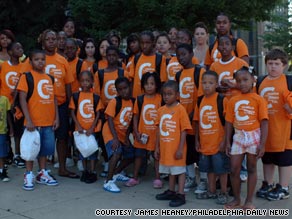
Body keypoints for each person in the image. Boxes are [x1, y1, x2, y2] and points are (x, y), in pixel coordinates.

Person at [224, 66, 268, 209]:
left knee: (252, 168)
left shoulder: (259, 100)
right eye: (239, 81)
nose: (242, 83)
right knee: (234, 169)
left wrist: (262, 144)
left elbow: (264, 123)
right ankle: (237, 199)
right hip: (238, 136)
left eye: (245, 80)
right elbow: (229, 122)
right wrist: (227, 142)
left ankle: (249, 201)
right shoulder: (232, 100)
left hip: (254, 136)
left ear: (253, 80)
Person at [17, 49, 59, 190]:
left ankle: (42, 173)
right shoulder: (27, 77)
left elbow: (53, 99)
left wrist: (56, 117)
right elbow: (22, 98)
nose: (40, 61)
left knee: (44, 150)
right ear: (31, 62)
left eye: (42, 59)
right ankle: (28, 174)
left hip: (48, 122)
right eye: (37, 59)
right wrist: (28, 119)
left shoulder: (50, 78)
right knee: (30, 150)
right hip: (32, 123)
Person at [40, 29, 78, 179]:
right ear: (43, 42)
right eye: (48, 39)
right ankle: (42, 169)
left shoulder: (62, 60)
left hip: (61, 105)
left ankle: (62, 168)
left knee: (62, 137)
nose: (51, 41)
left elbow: (68, 84)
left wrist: (70, 105)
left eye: (53, 39)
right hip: (42, 105)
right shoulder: (37, 59)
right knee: (43, 137)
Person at [256, 49, 292, 201]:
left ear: (284, 65)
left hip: (284, 129)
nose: (273, 67)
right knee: (267, 158)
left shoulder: (289, 81)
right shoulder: (261, 81)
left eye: (277, 64)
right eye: (270, 63)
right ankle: (268, 183)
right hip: (266, 130)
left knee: (285, 159)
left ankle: (283, 187)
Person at [155, 80, 192, 207]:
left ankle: (181, 194)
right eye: (164, 94)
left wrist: (180, 148)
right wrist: (157, 148)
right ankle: (171, 191)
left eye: (169, 94)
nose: (166, 96)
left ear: (177, 95)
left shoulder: (180, 109)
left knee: (179, 171)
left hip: (176, 148)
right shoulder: (161, 110)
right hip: (165, 148)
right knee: (170, 170)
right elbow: (158, 130)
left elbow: (184, 130)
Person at [194, 71, 229, 204]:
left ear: (216, 84)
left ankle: (224, 192)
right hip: (205, 144)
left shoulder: (222, 100)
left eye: (210, 83)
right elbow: (197, 121)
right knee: (209, 170)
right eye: (204, 83)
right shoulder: (200, 100)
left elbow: (228, 123)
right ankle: (212, 191)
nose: (207, 86)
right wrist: (197, 140)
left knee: (222, 170)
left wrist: (225, 141)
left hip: (218, 144)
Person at [175, 43, 205, 192]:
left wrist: (192, 115)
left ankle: (204, 180)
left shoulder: (199, 72)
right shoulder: (178, 75)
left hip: (197, 120)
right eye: (178, 55)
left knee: (201, 151)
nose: (181, 57)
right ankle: (191, 178)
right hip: (184, 121)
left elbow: (201, 98)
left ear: (191, 55)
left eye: (184, 54)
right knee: (188, 152)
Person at [125, 72, 163, 188]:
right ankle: (135, 177)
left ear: (156, 85)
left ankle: (157, 178)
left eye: (152, 83)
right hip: (142, 134)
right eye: (146, 84)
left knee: (157, 156)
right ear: (142, 85)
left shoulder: (160, 99)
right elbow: (135, 116)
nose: (149, 86)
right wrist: (136, 131)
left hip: (155, 134)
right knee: (139, 156)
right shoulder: (140, 99)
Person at [69, 70, 103, 183]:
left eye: (88, 81)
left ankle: (92, 171)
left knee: (93, 150)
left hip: (91, 130)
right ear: (79, 82)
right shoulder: (76, 96)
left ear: (92, 82)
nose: (85, 83)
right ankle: (84, 171)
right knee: (82, 150)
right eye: (83, 81)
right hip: (80, 130)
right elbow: (73, 112)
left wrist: (92, 127)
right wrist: (78, 125)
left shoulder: (96, 97)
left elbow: (98, 113)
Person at [102, 77, 134, 193]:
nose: (124, 91)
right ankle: (108, 181)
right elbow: (109, 120)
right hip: (110, 131)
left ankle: (116, 173)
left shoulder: (133, 102)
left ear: (130, 87)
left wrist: (126, 137)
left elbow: (130, 121)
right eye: (120, 89)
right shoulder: (115, 101)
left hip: (122, 133)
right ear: (117, 91)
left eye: (125, 88)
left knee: (131, 154)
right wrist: (115, 138)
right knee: (116, 153)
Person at [0, 41, 25, 168]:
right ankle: (7, 154)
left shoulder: (24, 66)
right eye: (17, 48)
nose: (20, 50)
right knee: (5, 131)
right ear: (10, 52)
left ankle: (18, 155)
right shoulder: (3, 66)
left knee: (17, 131)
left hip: (17, 104)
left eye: (21, 48)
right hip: (4, 103)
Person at [129, 30, 167, 98]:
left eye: (147, 43)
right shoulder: (136, 58)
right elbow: (131, 80)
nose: (144, 46)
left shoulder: (160, 58)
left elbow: (163, 82)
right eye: (142, 43)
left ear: (153, 43)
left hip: (153, 99)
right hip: (137, 98)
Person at [210, 35, 248, 100]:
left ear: (232, 47)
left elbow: (249, 85)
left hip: (239, 102)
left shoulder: (242, 64)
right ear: (218, 48)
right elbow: (210, 85)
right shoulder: (214, 66)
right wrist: (217, 88)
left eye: (227, 44)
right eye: (221, 44)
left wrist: (233, 85)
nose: (224, 47)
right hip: (221, 103)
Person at [0, 93, 13, 182]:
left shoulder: (4, 99)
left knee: (2, 153)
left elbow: (8, 115)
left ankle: (2, 171)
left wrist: (11, 127)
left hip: (2, 131)